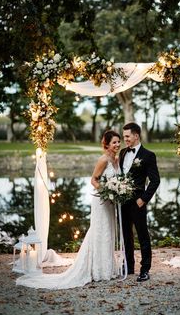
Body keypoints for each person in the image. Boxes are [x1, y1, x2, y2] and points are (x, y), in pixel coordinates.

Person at [16, 130, 121, 289]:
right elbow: (93, 180)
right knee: (99, 231)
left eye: (118, 141)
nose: (117, 144)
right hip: (102, 200)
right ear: (106, 144)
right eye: (114, 142)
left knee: (108, 232)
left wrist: (116, 192)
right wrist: (107, 193)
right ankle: (98, 270)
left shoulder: (116, 159)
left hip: (111, 202)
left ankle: (107, 267)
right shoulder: (103, 160)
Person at [119, 122, 160, 282]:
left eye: (127, 136)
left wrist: (143, 199)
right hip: (122, 201)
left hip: (138, 202)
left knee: (143, 235)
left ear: (136, 136)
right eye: (124, 137)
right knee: (126, 235)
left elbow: (155, 181)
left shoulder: (149, 155)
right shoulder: (123, 153)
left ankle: (145, 269)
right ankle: (129, 266)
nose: (125, 139)